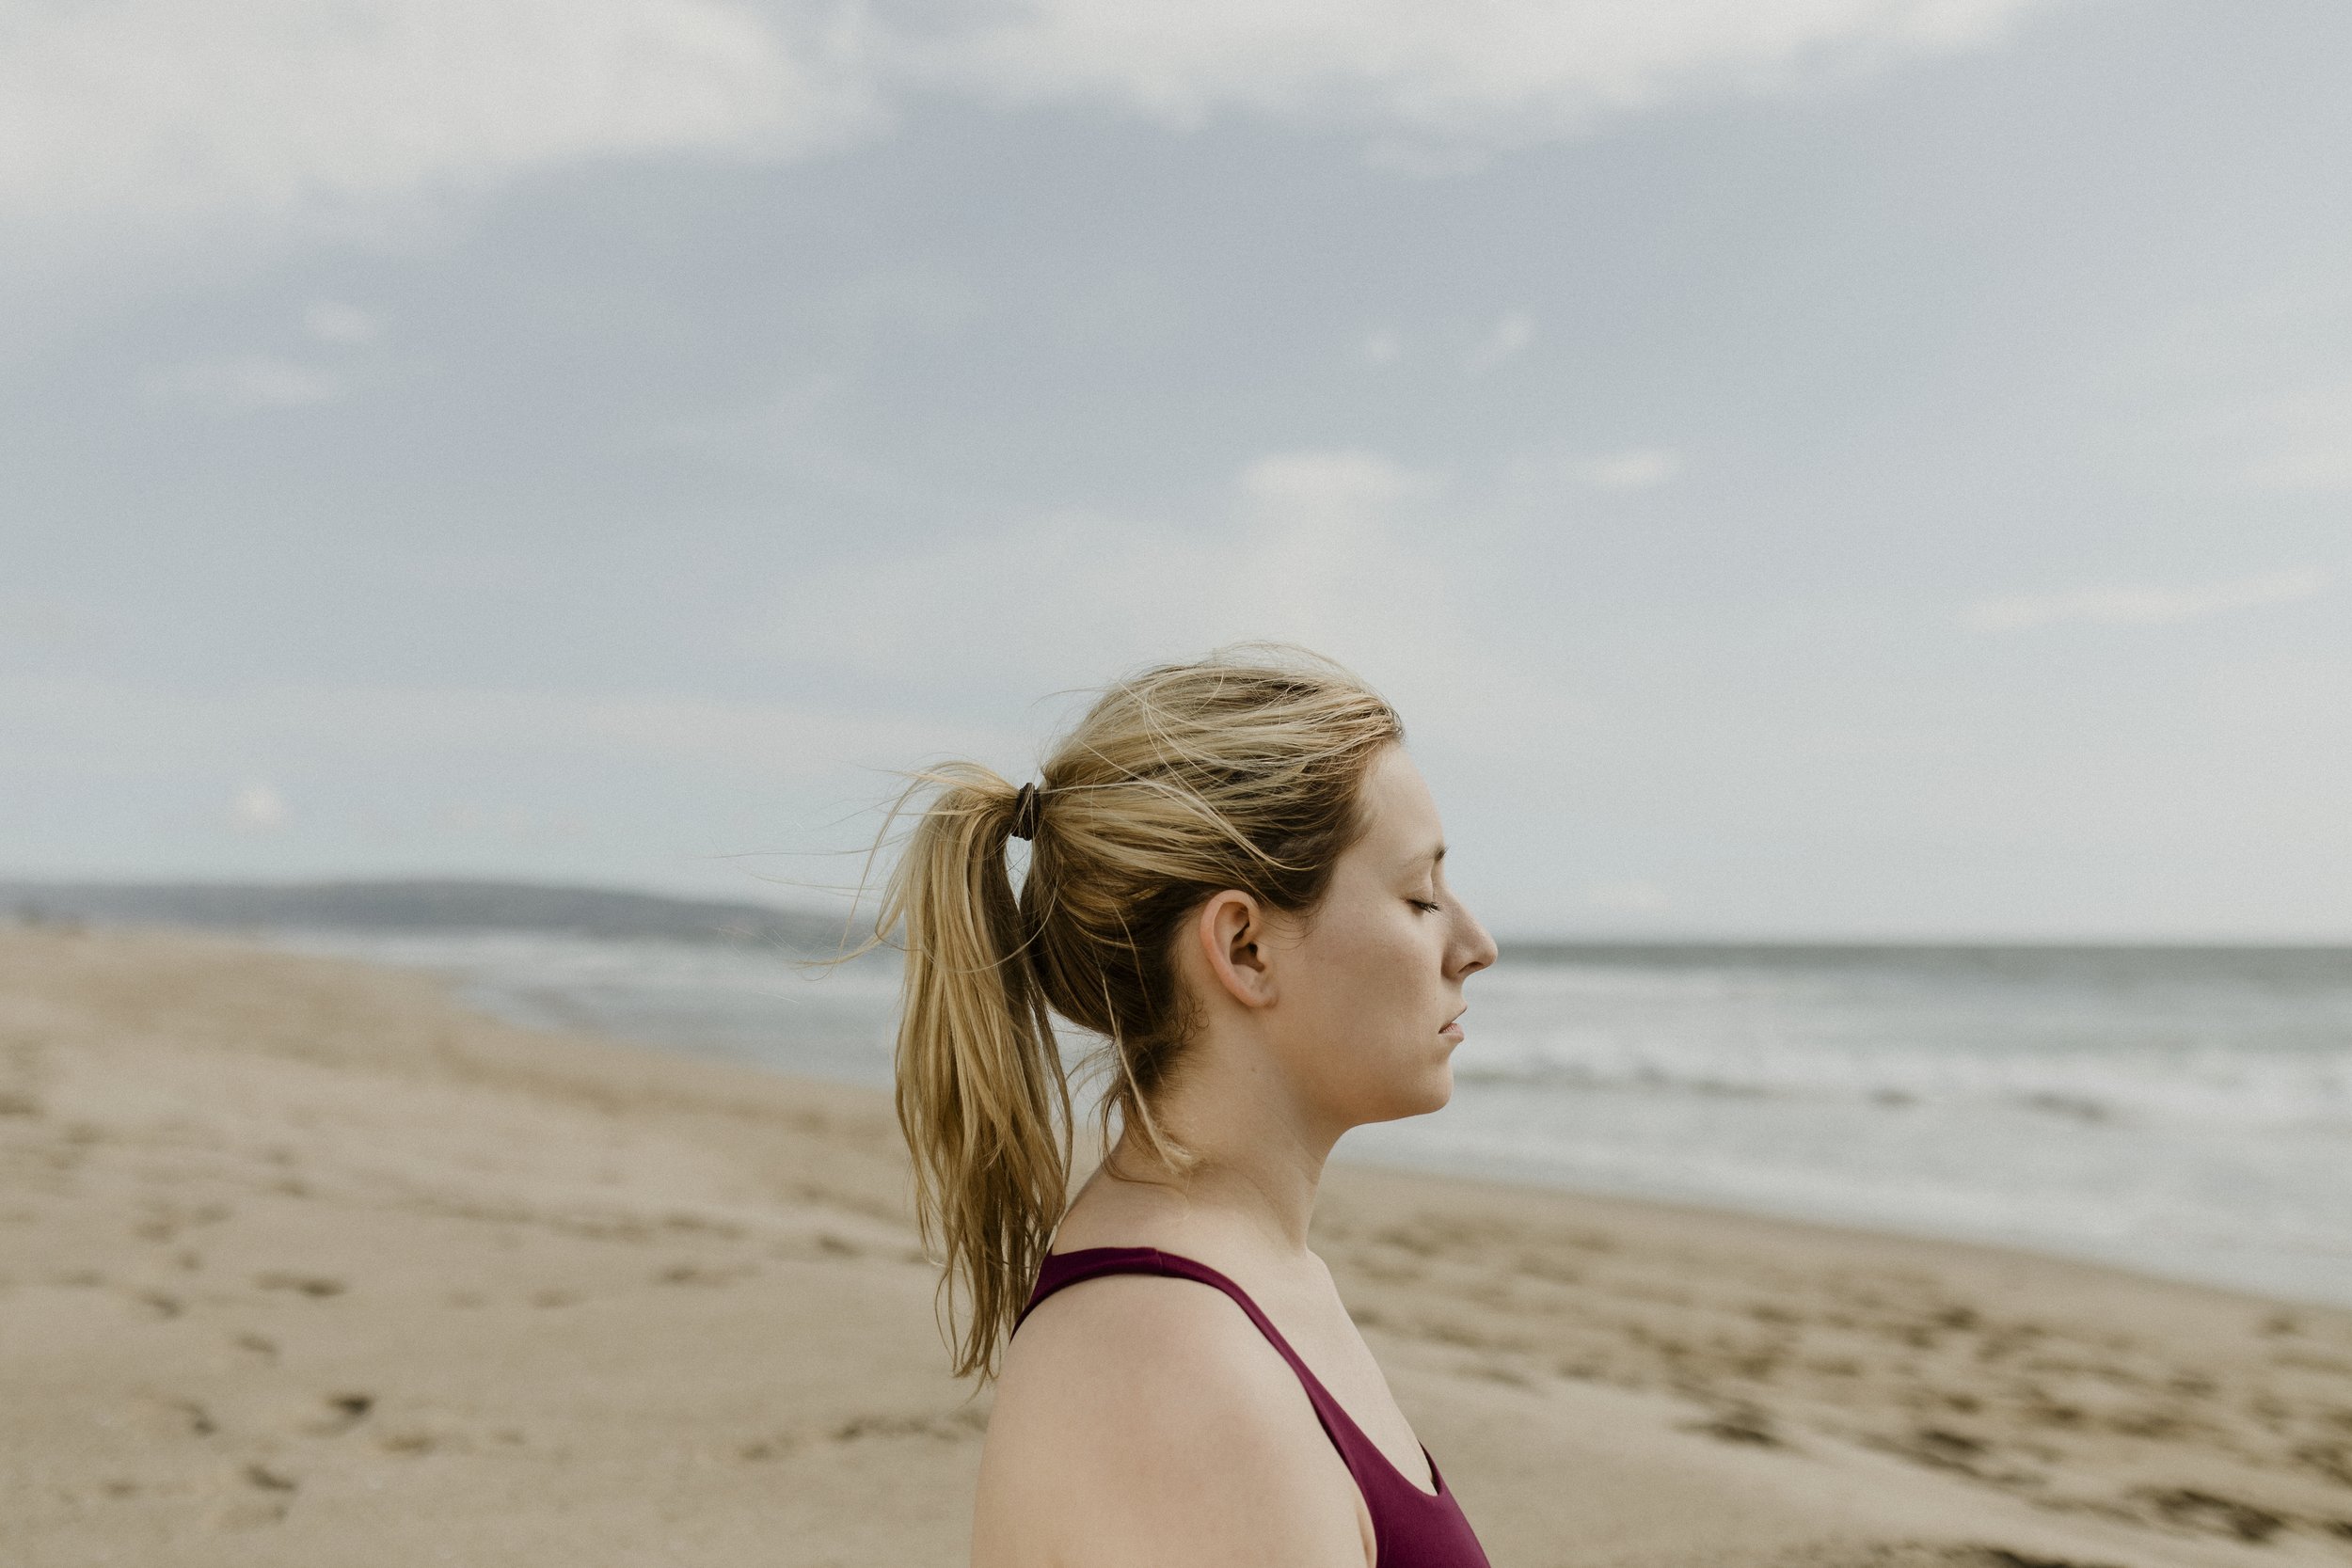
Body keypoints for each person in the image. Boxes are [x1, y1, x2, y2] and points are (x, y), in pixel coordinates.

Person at [873, 643, 1500, 1567]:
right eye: (1418, 894)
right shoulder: (1171, 1360)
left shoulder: (1248, 1283)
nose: (1475, 944)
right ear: (1244, 946)